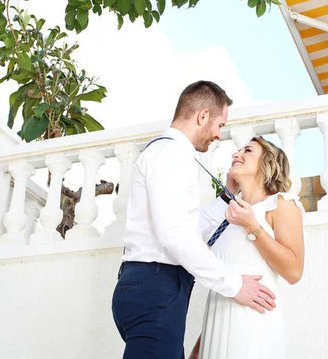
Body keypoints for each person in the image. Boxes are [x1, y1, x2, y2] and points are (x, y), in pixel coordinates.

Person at [111, 81, 277, 359]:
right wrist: (235, 285)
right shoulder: (172, 155)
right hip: (156, 288)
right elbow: (175, 235)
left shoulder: (169, 154)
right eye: (220, 125)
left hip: (149, 287)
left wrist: (226, 198)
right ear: (202, 117)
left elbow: (185, 226)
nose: (218, 136)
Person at [189, 136, 305, 359]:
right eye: (237, 151)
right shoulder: (227, 216)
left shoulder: (280, 204)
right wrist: (198, 348)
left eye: (247, 151)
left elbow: (294, 271)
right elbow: (227, 281)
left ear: (267, 163)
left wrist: (252, 225)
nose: (236, 155)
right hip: (216, 328)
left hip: (253, 327)